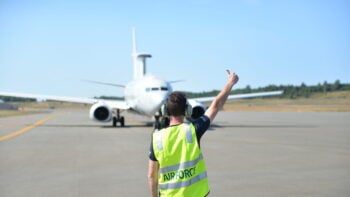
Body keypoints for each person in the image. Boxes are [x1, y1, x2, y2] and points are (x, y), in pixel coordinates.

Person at [148, 70, 239, 197]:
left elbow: (152, 176)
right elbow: (216, 105)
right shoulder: (193, 130)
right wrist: (230, 83)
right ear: (187, 110)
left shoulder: (156, 138)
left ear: (165, 111)